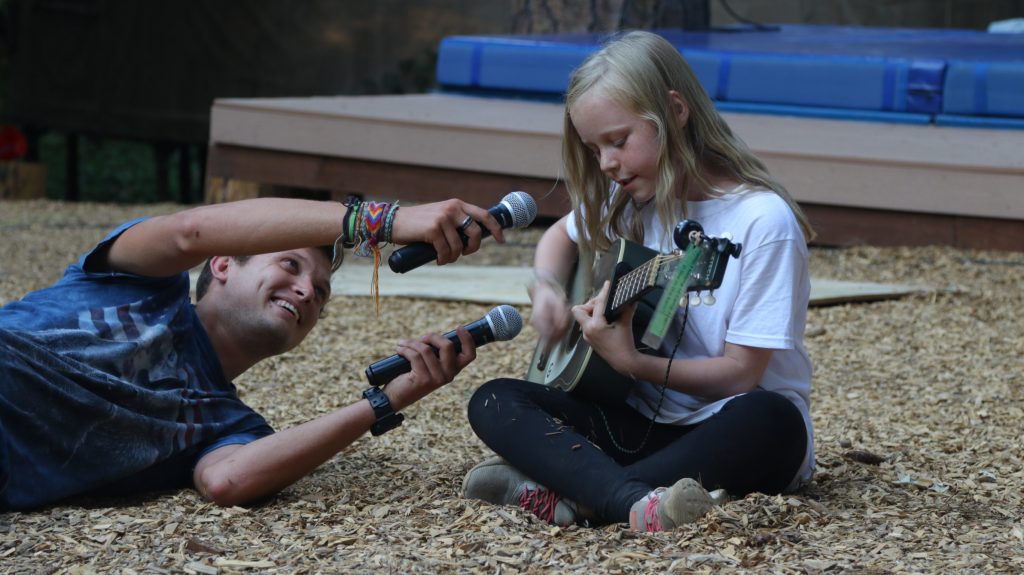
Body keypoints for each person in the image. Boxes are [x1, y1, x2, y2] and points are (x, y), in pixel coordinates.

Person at [462, 30, 816, 532]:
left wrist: (630, 362)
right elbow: (558, 239)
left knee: (771, 418)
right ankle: (633, 501)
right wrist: (547, 290)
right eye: (594, 148)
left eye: (619, 141)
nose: (606, 163)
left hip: (727, 427)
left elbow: (740, 374)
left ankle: (584, 496)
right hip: (640, 423)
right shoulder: (629, 198)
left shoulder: (762, 222)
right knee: (494, 399)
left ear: (675, 111)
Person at [0, 195, 505, 510]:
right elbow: (188, 231)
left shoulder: (227, 426)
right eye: (290, 264)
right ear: (222, 264)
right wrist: (383, 220)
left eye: (321, 292)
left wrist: (391, 398)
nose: (307, 291)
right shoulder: (136, 280)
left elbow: (228, 481)